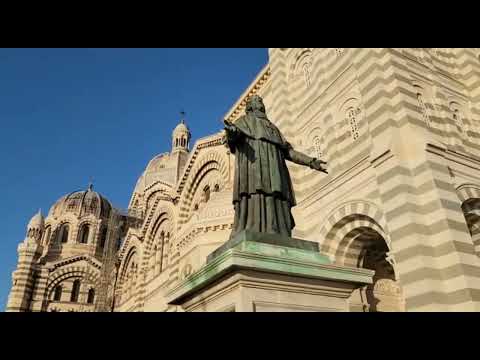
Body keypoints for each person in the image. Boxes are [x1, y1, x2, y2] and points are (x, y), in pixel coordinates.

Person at [224, 95, 327, 238]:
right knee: (256, 196)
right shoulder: (244, 121)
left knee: (276, 199)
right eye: (255, 101)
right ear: (250, 106)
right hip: (254, 171)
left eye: (260, 100)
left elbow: (289, 152)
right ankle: (253, 229)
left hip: (276, 174)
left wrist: (310, 161)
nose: (259, 102)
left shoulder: (273, 128)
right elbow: (235, 137)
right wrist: (232, 132)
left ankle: (277, 232)